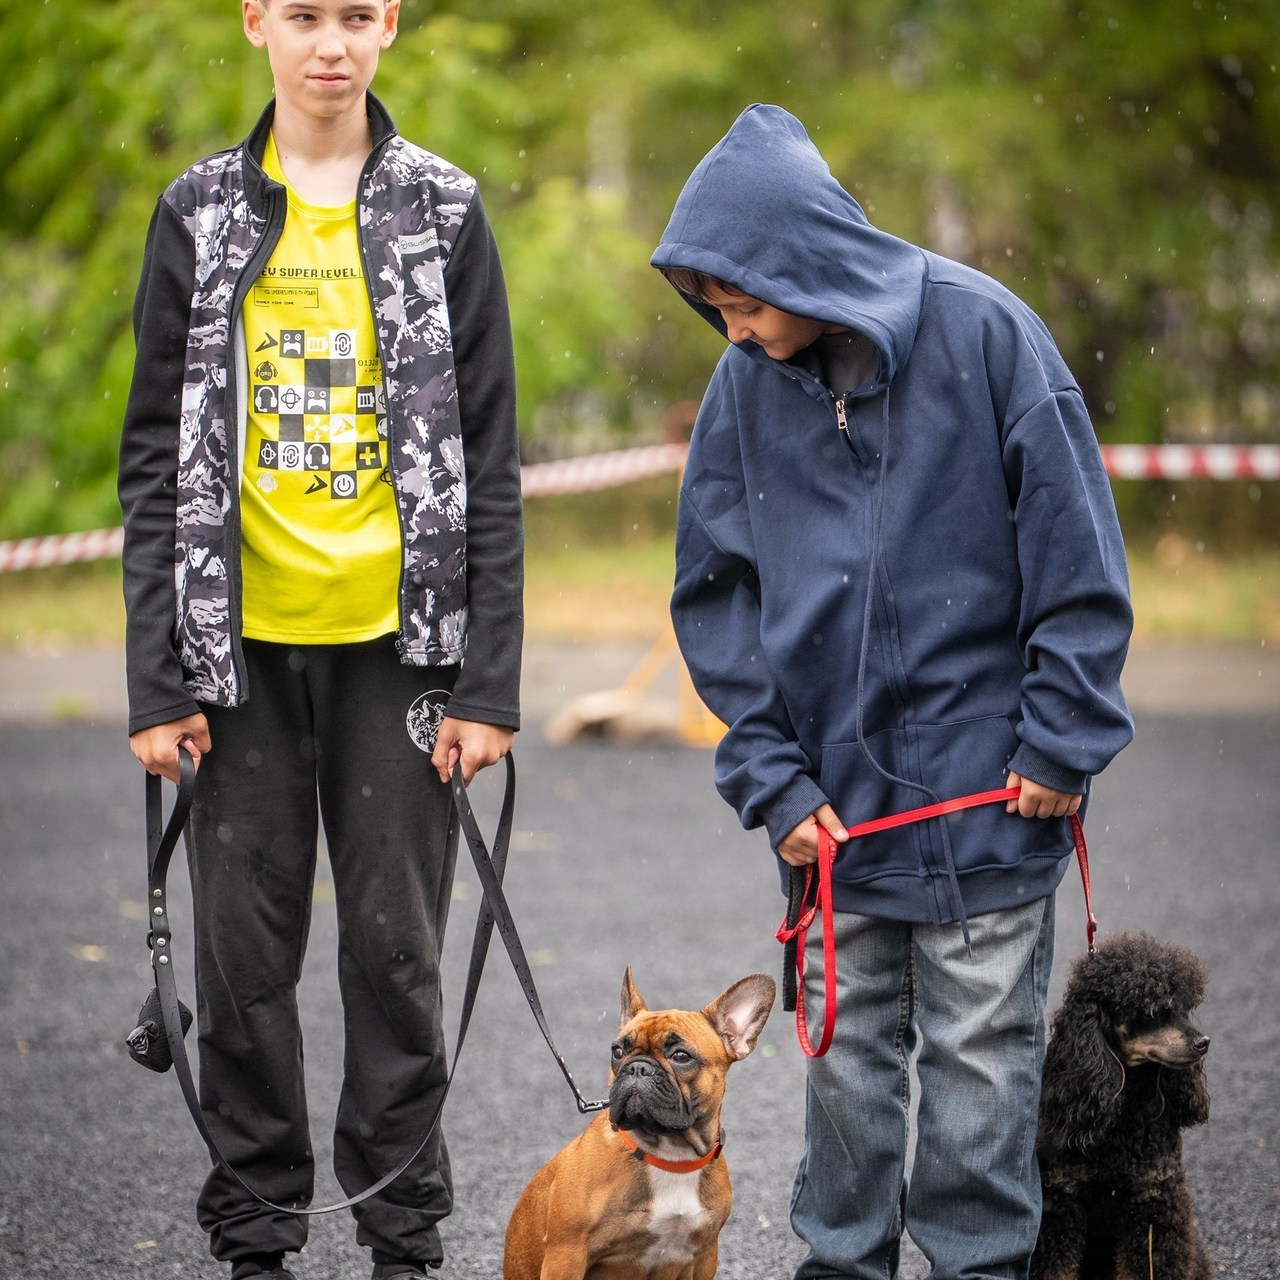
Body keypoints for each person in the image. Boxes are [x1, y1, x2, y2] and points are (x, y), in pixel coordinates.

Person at [651, 104, 1133, 1280]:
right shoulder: (740, 387)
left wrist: (1061, 738)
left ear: (803, 255)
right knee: (846, 1066)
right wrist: (771, 779)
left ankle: (977, 1265)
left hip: (996, 803)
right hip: (831, 821)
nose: (735, 330)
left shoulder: (988, 336)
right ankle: (842, 1263)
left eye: (746, 301)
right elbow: (714, 603)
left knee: (979, 1068)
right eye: (713, 311)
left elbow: (1078, 558)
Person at [117, 2, 523, 1277]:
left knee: (396, 956)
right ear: (256, 23)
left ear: (388, 23)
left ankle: (402, 1241)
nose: (329, 42)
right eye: (303, 14)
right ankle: (255, 1241)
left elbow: (494, 463)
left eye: (356, 13)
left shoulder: (445, 212)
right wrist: (154, 673)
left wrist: (487, 677)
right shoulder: (197, 213)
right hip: (234, 656)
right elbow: (147, 462)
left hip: (398, 655)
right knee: (244, 965)